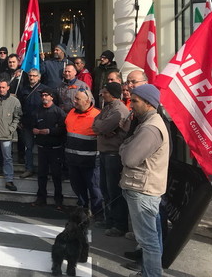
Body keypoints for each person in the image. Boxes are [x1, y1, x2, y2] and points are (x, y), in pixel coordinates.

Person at [120, 84, 169, 277]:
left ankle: (151, 274)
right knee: (150, 238)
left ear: (149, 103)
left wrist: (124, 148)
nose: (131, 105)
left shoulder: (150, 128)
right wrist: (126, 146)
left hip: (143, 190)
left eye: (135, 101)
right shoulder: (148, 123)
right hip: (143, 187)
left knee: (148, 241)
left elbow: (129, 158)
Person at [92, 82, 130, 237]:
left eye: (106, 92)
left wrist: (102, 129)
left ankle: (119, 224)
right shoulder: (108, 107)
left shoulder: (119, 110)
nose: (102, 94)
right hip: (105, 152)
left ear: (113, 93)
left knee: (114, 190)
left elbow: (101, 127)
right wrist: (102, 129)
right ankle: (109, 219)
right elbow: (95, 123)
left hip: (114, 153)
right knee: (106, 189)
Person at [64, 88, 103, 222]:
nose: (74, 101)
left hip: (90, 161)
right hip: (73, 160)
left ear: (87, 101)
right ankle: (83, 212)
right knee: (78, 188)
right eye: (75, 98)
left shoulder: (97, 115)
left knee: (94, 189)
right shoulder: (71, 113)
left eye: (77, 99)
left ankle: (98, 214)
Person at [31, 88, 66, 210]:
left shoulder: (58, 112)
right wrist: (34, 130)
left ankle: (58, 200)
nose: (44, 97)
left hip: (55, 148)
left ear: (52, 97)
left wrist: (50, 131)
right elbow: (33, 125)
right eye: (42, 95)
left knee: (56, 175)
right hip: (42, 147)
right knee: (42, 174)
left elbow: (63, 129)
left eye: (46, 95)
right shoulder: (37, 111)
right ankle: (41, 198)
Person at [17, 68, 46, 178]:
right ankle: (29, 168)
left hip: (41, 124)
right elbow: (19, 106)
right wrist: (19, 120)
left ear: (39, 77)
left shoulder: (44, 89)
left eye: (34, 75)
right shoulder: (23, 90)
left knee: (42, 148)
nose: (32, 77)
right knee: (28, 148)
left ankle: (43, 170)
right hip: (27, 124)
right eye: (30, 75)